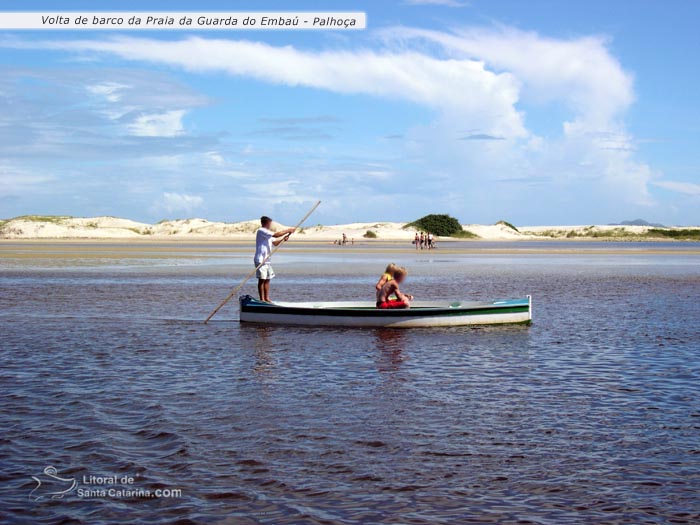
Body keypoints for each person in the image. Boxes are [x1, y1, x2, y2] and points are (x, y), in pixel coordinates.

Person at [255, 216, 295, 302]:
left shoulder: (268, 233)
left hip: (267, 260)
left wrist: (283, 239)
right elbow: (276, 235)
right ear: (266, 223)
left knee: (268, 279)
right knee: (262, 279)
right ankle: (262, 299)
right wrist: (288, 230)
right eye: (270, 223)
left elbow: (275, 242)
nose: (270, 225)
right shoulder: (262, 231)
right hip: (261, 260)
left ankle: (266, 298)